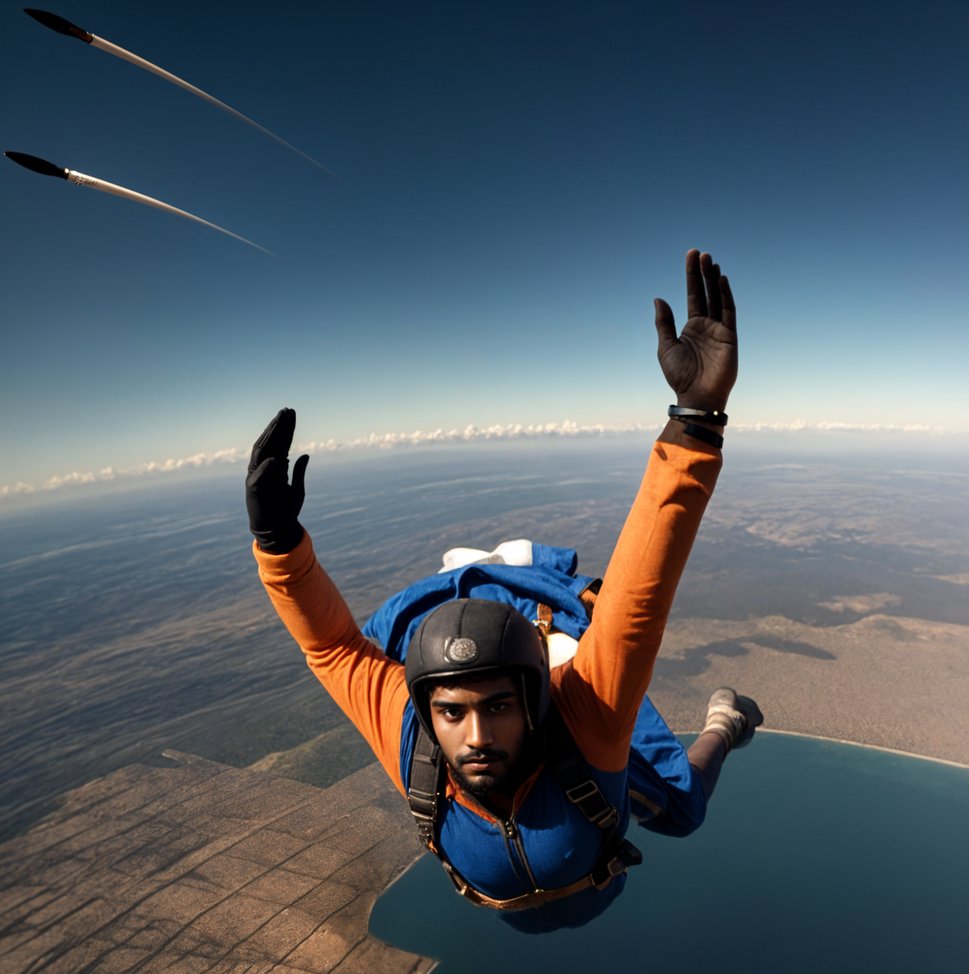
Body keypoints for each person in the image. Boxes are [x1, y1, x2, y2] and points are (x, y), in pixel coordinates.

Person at [246, 250, 763, 927]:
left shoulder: (585, 720)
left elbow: (639, 604)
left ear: (539, 698)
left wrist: (693, 424)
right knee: (679, 809)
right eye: (453, 712)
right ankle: (502, 584)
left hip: (539, 631)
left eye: (496, 707)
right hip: (465, 623)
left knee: (684, 809)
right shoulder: (416, 733)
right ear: (427, 710)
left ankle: (726, 725)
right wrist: (277, 545)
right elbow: (336, 653)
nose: (477, 736)